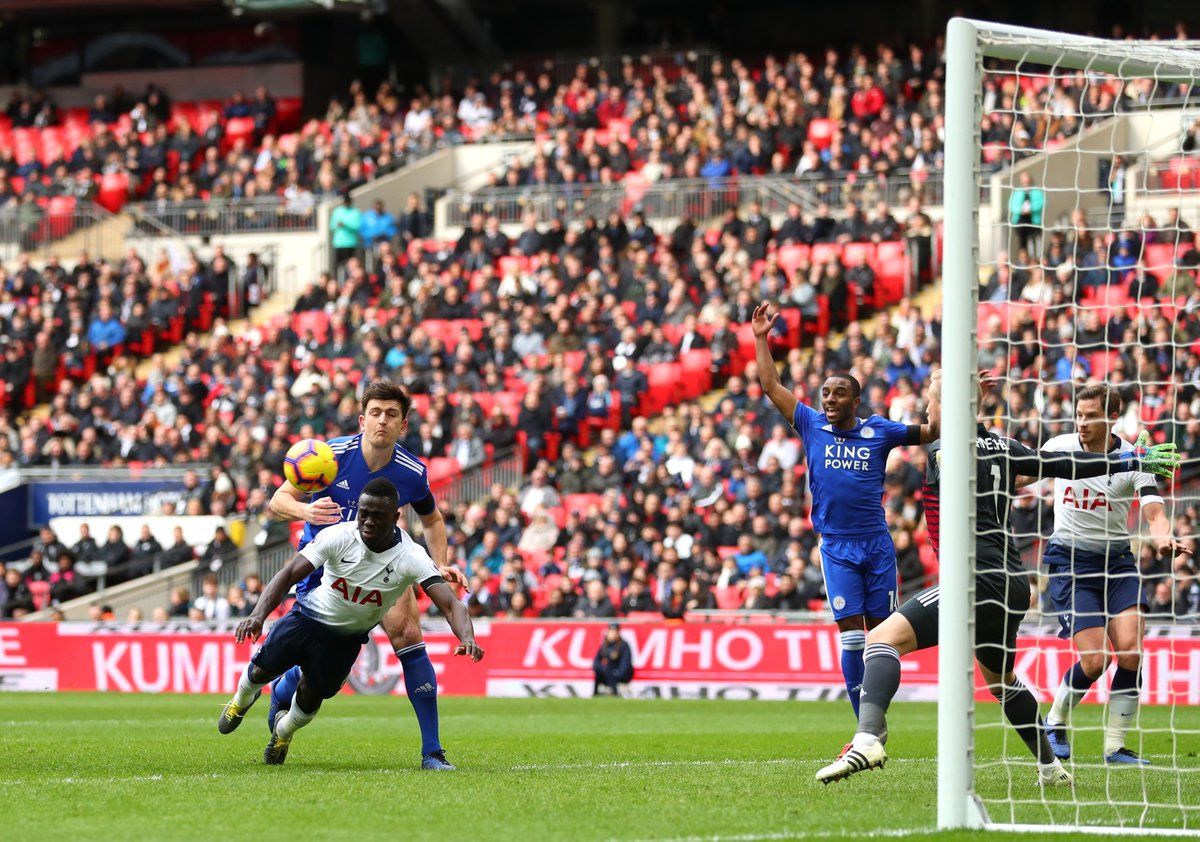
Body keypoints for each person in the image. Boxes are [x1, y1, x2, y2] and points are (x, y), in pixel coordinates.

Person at [815, 375, 1180, 787]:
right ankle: (1050, 768)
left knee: (880, 640)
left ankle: (868, 737)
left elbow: (950, 433)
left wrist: (952, 393)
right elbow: (1067, 465)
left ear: (948, 410)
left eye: (932, 407)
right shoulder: (1007, 448)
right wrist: (1131, 461)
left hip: (973, 579)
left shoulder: (942, 451)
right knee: (1002, 682)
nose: (927, 415)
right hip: (1013, 586)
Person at [268, 380, 468, 770]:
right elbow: (278, 500)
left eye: (391, 414)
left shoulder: (412, 472)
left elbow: (433, 518)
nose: (382, 420)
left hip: (382, 565)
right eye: (375, 413)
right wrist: (306, 512)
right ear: (362, 419)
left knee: (409, 635)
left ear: (403, 425)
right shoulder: (329, 456)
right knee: (317, 662)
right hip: (325, 569)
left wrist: (440, 562)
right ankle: (283, 690)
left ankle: (432, 752)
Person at [752, 303, 939, 720]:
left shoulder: (880, 430)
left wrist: (950, 400)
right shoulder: (810, 423)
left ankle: (875, 712)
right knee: (852, 637)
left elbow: (932, 432)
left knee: (883, 636)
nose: (829, 399)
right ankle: (867, 727)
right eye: (825, 393)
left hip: (876, 546)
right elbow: (770, 385)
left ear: (856, 399)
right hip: (836, 547)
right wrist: (761, 338)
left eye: (838, 393)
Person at [218, 479, 483, 765]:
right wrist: (258, 615)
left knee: (312, 698)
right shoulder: (339, 536)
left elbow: (451, 604)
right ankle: (240, 701)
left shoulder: (411, 555)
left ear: (395, 517)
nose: (367, 521)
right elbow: (288, 573)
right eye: (363, 513)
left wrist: (467, 638)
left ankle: (283, 733)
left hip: (344, 642)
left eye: (377, 515)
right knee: (259, 672)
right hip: (305, 620)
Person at [1040, 384, 1183, 765]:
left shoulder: (1135, 458)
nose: (1082, 422)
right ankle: (1054, 722)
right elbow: (1023, 476)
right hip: (1070, 563)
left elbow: (1154, 513)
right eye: (1079, 414)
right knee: (1095, 661)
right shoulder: (1059, 446)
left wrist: (1163, 538)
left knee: (1132, 652)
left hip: (1118, 564)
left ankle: (1115, 747)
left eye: (1090, 416)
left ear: (1112, 417)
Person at [592, 622, 633, 697]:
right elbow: (596, 661)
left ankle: (614, 693)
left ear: (618, 632)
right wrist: (600, 669)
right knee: (600, 673)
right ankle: (595, 695)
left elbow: (625, 663)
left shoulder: (623, 645)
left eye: (614, 631)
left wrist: (618, 673)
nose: (612, 633)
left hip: (619, 673)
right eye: (610, 631)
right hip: (608, 672)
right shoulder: (605, 645)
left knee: (610, 672)